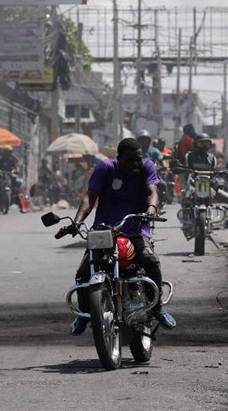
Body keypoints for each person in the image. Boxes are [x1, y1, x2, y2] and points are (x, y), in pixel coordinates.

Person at [64, 137, 175, 336]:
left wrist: (151, 208)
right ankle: (83, 313)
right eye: (130, 160)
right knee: (83, 272)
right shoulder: (105, 168)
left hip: (136, 229)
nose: (135, 164)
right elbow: (90, 198)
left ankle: (156, 306)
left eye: (138, 159)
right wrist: (77, 221)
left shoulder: (147, 167)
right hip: (103, 231)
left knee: (150, 260)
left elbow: (153, 192)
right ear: (118, 158)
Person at [184, 134, 228, 242]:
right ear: (196, 145)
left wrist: (219, 182)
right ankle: (186, 223)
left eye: (206, 143)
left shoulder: (212, 158)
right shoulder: (190, 156)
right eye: (201, 143)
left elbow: (214, 175)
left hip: (210, 187)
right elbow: (188, 173)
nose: (204, 146)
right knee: (185, 198)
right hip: (194, 186)